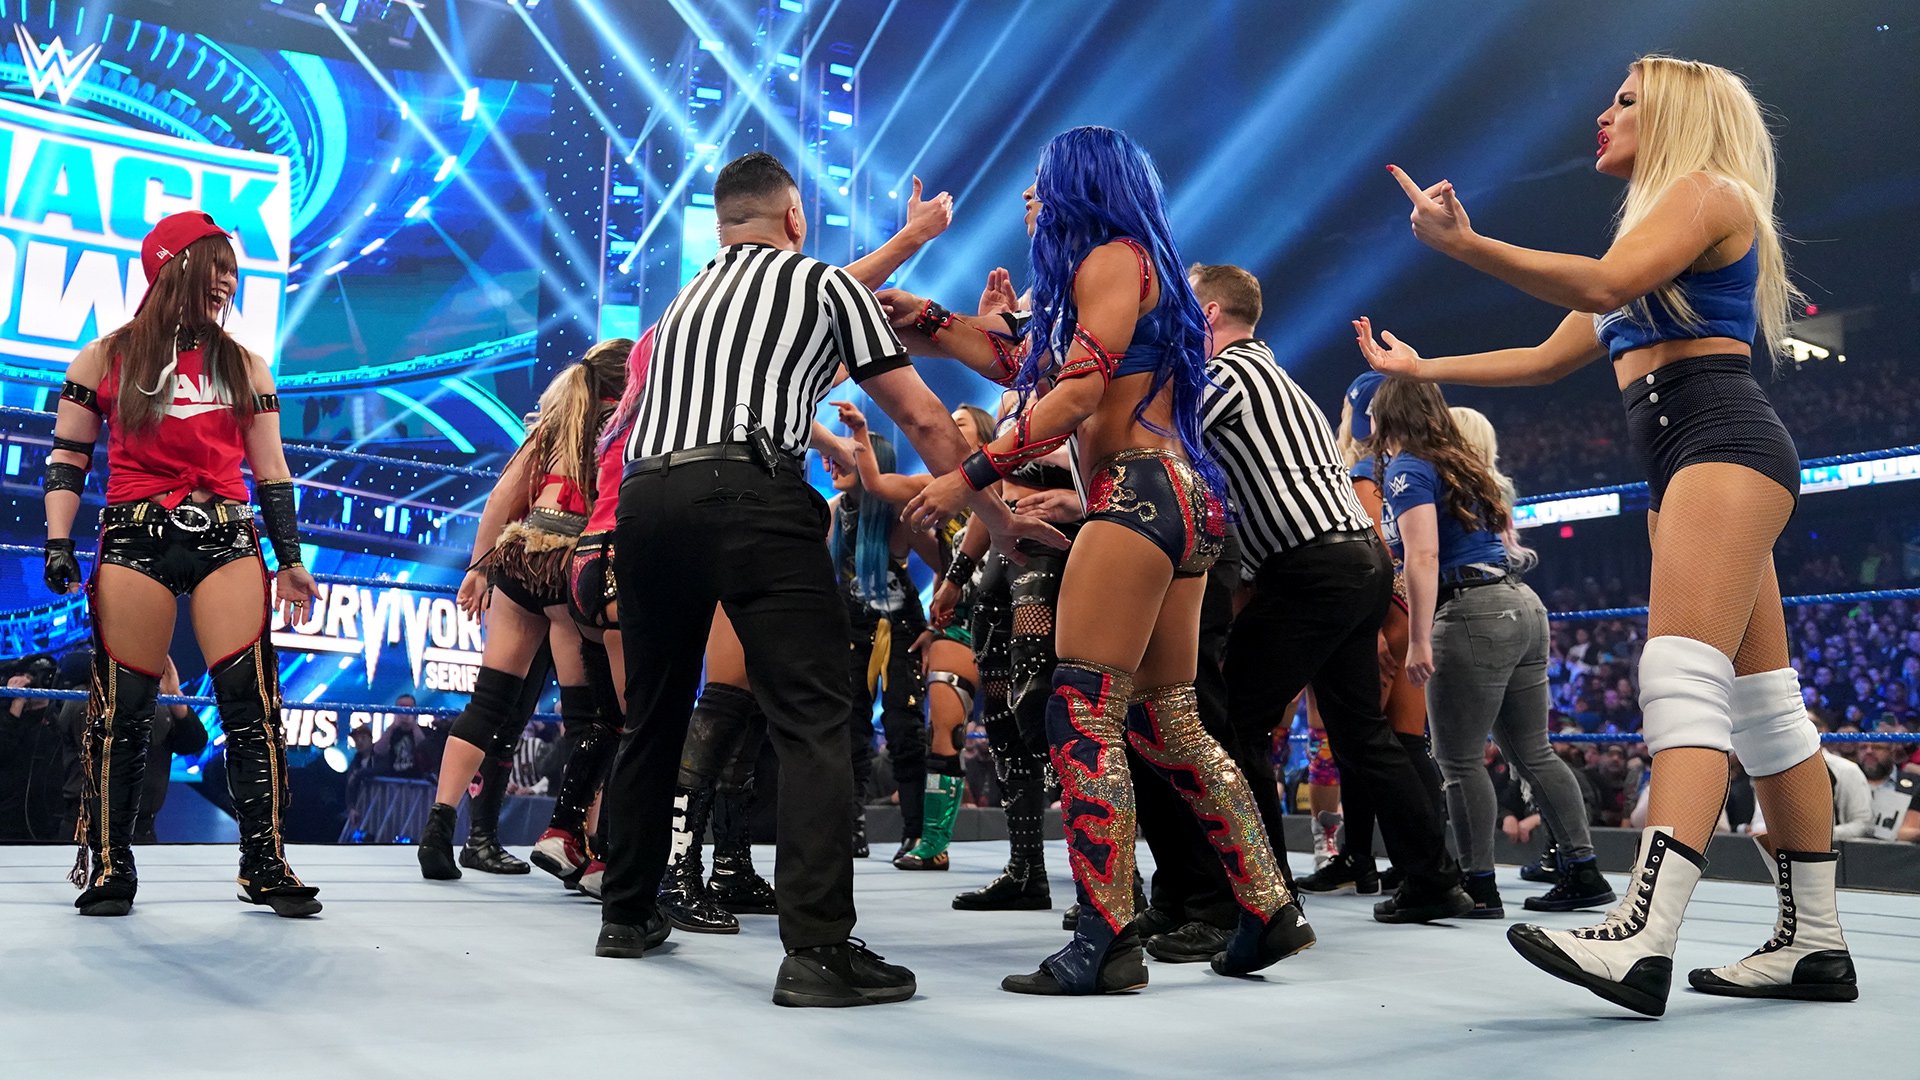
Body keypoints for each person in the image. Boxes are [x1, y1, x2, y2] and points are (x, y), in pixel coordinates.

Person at [1357, 55, 1855, 1013]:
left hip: (1719, 440)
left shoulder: (1705, 193)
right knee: (1764, 704)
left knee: (1681, 676)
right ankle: (1816, 943)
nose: (1604, 112)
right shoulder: (1660, 229)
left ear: (1676, 114)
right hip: (1695, 454)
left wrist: (1467, 246)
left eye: (1626, 100)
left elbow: (1601, 283)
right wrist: (1421, 371)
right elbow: (1546, 359)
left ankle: (1643, 934)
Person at [597, 151, 1059, 1008]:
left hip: (646, 499)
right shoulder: (821, 283)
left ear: (723, 224)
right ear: (794, 219)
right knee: (813, 715)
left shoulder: (683, 304)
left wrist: (909, 244)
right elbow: (924, 417)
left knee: (654, 710)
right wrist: (997, 521)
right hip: (749, 492)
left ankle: (625, 911)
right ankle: (816, 949)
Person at [899, 128, 1310, 994]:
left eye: (1040, 182)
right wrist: (931, 322)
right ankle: (1270, 906)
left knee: (1081, 713)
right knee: (1167, 722)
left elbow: (1076, 392)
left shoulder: (1112, 258)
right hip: (1178, 498)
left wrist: (966, 476)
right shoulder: (1130, 270)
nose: (1028, 197)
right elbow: (1030, 365)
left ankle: (1105, 936)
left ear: (1079, 185)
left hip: (1137, 495)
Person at [42, 210, 320, 917]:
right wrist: (57, 542)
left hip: (226, 534)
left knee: (252, 704)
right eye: (214, 267)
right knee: (124, 708)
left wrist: (290, 559)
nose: (227, 281)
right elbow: (69, 456)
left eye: (232, 270)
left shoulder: (244, 364)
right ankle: (110, 861)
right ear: (172, 268)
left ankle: (265, 862)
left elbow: (272, 470)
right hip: (135, 535)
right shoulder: (105, 357)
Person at [1366, 381, 1614, 919]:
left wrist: (1418, 638)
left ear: (1386, 418)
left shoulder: (1410, 467)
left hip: (1472, 611)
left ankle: (1478, 885)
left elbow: (1423, 555)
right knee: (1534, 751)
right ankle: (1583, 870)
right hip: (1521, 605)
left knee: (1457, 759)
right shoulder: (1464, 463)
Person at [417, 339, 630, 881]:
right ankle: (580, 843)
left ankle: (438, 827)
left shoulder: (555, 422)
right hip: (570, 565)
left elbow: (501, 498)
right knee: (588, 717)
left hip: (519, 556)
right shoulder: (628, 424)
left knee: (489, 701)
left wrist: (477, 568)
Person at [836, 400, 998, 872]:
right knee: (940, 729)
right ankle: (930, 841)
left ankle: (1028, 861)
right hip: (956, 620)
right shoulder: (932, 485)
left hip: (1012, 610)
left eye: (959, 424)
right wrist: (860, 432)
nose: (947, 428)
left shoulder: (1010, 480)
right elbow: (877, 484)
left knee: (1021, 732)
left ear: (984, 437)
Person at [825, 430, 931, 861]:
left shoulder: (899, 515)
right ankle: (850, 830)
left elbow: (951, 564)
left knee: (905, 728)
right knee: (849, 729)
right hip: (849, 630)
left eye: (844, 457)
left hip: (902, 630)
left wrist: (939, 628)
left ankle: (916, 833)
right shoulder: (832, 512)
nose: (833, 464)